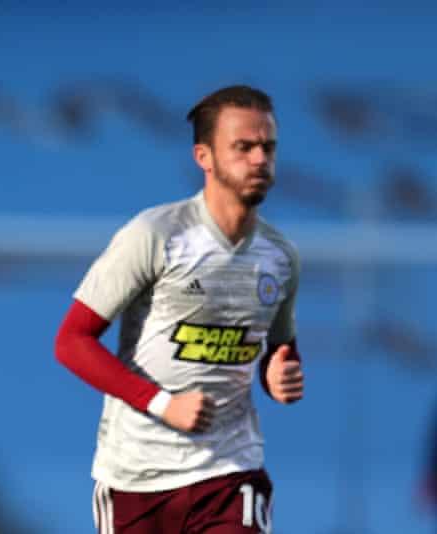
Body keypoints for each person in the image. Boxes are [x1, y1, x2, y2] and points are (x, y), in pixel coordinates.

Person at [55, 85, 303, 534]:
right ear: (204, 157)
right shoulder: (154, 235)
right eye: (243, 147)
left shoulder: (280, 256)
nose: (259, 159)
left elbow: (279, 348)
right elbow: (71, 342)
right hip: (135, 477)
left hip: (230, 472)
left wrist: (277, 373)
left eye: (268, 147)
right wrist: (162, 403)